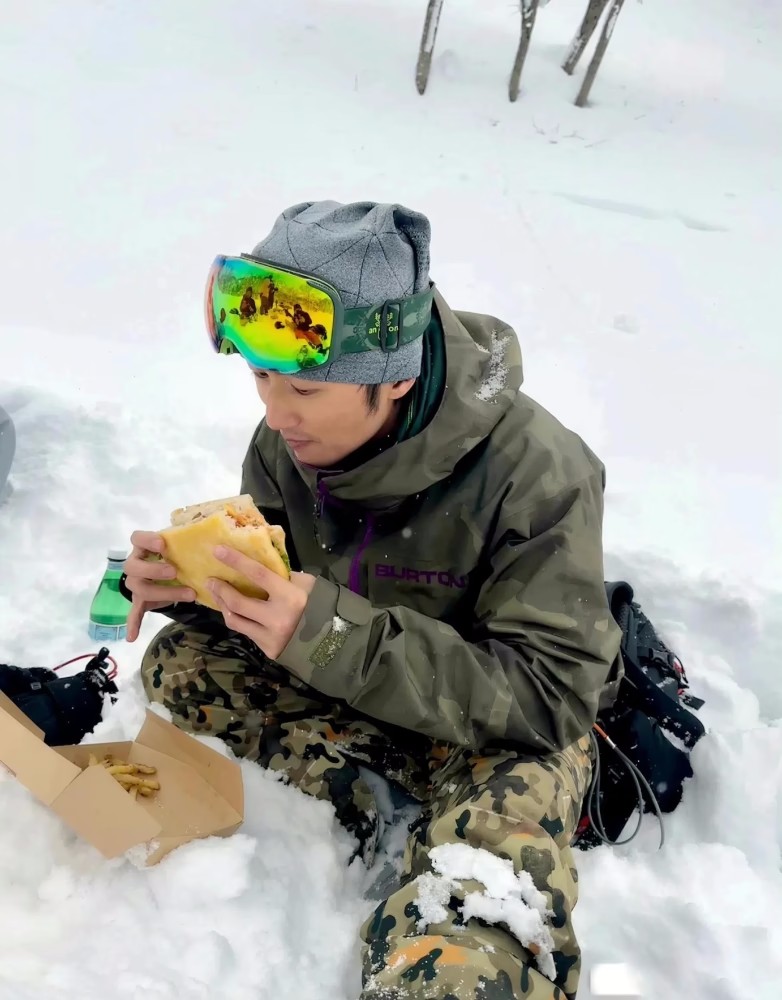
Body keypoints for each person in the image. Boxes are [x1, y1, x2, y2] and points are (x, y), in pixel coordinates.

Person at [122, 201, 623, 1000]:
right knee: (183, 664)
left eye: (307, 388)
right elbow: (282, 581)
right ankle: (387, 802)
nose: (275, 413)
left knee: (482, 898)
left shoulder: (540, 471)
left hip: (501, 727)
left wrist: (326, 634)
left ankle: (450, 891)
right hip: (367, 687)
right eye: (259, 377)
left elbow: (551, 695)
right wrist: (198, 589)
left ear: (395, 375)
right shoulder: (289, 443)